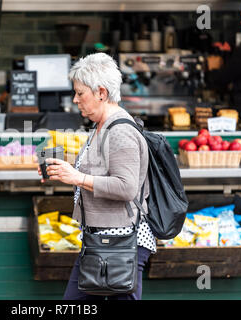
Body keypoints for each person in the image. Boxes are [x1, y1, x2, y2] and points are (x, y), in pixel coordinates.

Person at [38, 53, 155, 300]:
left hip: (121, 243)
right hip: (100, 240)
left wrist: (77, 178)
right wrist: (63, 169)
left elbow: (127, 187)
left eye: (80, 93)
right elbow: (100, 168)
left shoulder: (120, 130)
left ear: (101, 92)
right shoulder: (101, 126)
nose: (75, 99)